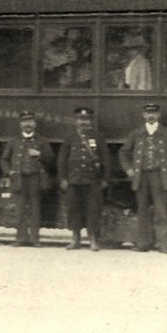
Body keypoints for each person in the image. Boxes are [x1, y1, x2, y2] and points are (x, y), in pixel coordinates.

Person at [119, 103, 167, 253]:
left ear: (159, 115)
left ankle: (162, 244)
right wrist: (129, 169)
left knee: (160, 211)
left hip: (159, 176)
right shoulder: (136, 133)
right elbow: (123, 152)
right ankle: (143, 243)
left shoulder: (166, 132)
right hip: (141, 176)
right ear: (143, 115)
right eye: (148, 113)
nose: (151, 116)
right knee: (142, 210)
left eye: (154, 113)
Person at [58, 107, 111, 251]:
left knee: (93, 210)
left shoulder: (98, 137)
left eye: (86, 119)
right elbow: (62, 159)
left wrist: (105, 178)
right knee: (74, 210)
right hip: (74, 180)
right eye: (81, 119)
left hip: (92, 181)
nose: (83, 122)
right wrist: (63, 178)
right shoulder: (70, 137)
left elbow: (106, 159)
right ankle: (75, 240)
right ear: (76, 121)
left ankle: (93, 240)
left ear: (91, 121)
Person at [1, 111, 55, 247]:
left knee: (35, 209)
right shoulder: (14, 141)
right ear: (21, 124)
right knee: (20, 209)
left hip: (35, 178)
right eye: (25, 122)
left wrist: (40, 154)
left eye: (30, 122)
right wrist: (9, 172)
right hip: (19, 179)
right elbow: (4, 159)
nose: (28, 125)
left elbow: (51, 159)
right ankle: (20, 238)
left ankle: (35, 239)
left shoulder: (41, 141)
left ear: (35, 124)